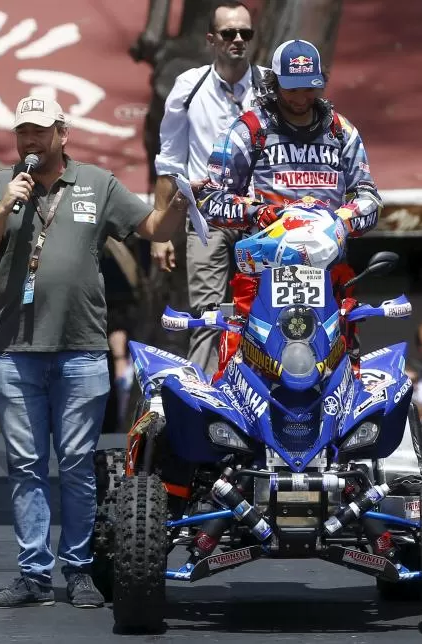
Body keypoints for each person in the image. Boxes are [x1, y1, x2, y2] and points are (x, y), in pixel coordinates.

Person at [0, 96, 187, 609]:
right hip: (16, 352)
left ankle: (79, 571)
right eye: (23, 132)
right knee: (26, 467)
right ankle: (33, 576)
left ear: (64, 133)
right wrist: (1, 211)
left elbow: (154, 229)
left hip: (82, 351)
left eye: (40, 131)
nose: (30, 141)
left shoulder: (97, 183)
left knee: (78, 465)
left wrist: (181, 202)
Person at [196, 39, 382, 376]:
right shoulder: (247, 131)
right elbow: (210, 199)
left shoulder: (342, 132)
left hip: (328, 275)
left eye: (309, 88)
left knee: (337, 368)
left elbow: (370, 198)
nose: (301, 98)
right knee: (248, 366)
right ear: (274, 83)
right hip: (264, 273)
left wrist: (342, 220)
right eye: (291, 89)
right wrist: (258, 212)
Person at [152, 0, 265, 375]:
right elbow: (170, 160)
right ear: (211, 39)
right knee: (208, 316)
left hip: (262, 219)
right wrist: (159, 232)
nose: (237, 40)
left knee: (269, 312)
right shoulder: (189, 84)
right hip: (208, 218)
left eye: (244, 33)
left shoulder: (270, 87)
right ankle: (204, 398)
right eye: (229, 33)